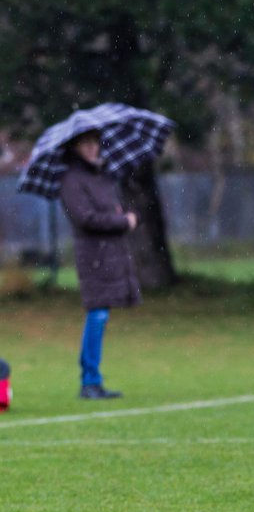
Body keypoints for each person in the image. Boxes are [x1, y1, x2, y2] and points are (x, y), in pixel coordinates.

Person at [58, 130, 140, 400]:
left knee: (100, 316)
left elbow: (107, 211)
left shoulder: (101, 177)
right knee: (97, 315)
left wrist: (120, 215)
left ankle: (92, 379)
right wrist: (122, 222)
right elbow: (86, 219)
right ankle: (89, 380)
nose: (93, 148)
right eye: (86, 143)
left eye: (95, 143)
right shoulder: (71, 180)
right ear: (75, 148)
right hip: (94, 257)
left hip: (112, 254)